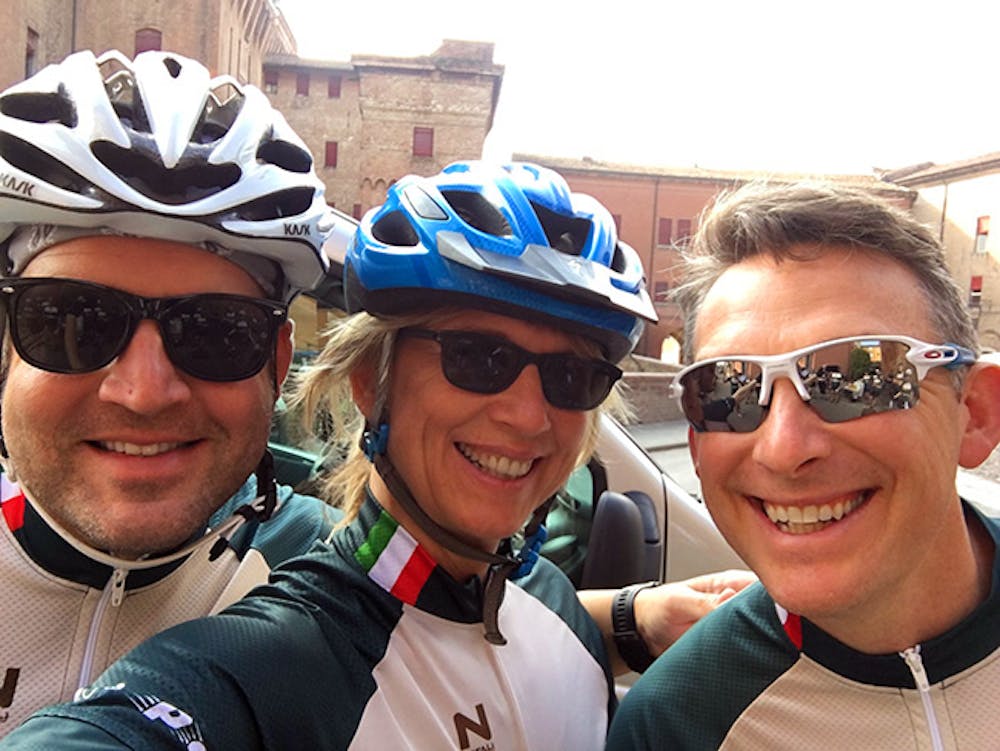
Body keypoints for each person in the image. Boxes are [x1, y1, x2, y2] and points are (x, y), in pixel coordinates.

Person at [0, 161, 750, 749]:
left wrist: (639, 617)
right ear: (370, 381)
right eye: (475, 356)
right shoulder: (276, 659)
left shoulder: (552, 604)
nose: (528, 414)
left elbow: (494, 621)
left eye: (571, 376)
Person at [0, 48, 354, 734]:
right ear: (8, 346)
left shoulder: (319, 578)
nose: (143, 393)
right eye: (75, 322)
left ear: (277, 364)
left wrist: (624, 620)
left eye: (215, 333)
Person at [606, 182, 1000, 749]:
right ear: (696, 444)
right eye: (729, 391)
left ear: (977, 414)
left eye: (859, 375)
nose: (784, 449)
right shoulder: (676, 723)